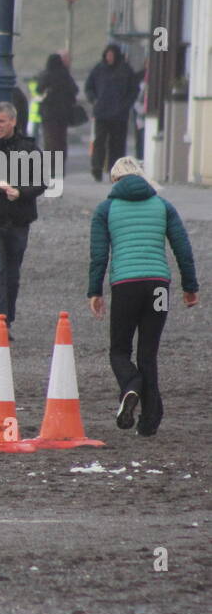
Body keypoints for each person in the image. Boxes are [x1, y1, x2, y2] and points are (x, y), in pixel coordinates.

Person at [87, 157, 199, 437]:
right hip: (159, 286)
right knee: (148, 353)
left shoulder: (106, 208)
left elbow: (99, 256)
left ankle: (131, 384)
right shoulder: (163, 205)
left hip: (126, 286)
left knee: (119, 350)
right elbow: (182, 247)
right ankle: (149, 422)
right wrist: (190, 286)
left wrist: (95, 291)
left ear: (115, 181)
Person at [0, 102, 47, 341]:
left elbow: (42, 182)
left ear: (13, 121)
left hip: (18, 220)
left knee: (12, 275)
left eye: (2, 121)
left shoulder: (30, 149)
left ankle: (7, 319)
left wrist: (20, 192)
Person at [85, 43, 139, 182]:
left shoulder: (125, 70)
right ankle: (97, 168)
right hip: (101, 112)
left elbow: (134, 90)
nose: (109, 57)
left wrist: (125, 105)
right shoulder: (99, 69)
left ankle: (115, 171)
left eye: (112, 55)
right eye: (107, 55)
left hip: (119, 115)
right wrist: (94, 100)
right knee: (99, 143)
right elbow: (89, 87)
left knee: (117, 144)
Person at [36, 52, 79, 165]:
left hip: (48, 114)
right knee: (61, 140)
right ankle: (60, 164)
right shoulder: (65, 75)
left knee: (50, 140)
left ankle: (50, 164)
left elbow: (38, 90)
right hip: (63, 113)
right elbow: (74, 90)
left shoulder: (46, 75)